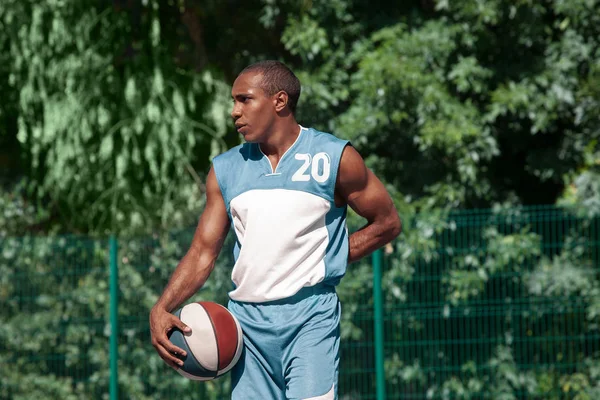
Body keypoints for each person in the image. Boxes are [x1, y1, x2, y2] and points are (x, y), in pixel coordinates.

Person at [150, 60, 401, 399]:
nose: (234, 111)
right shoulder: (225, 170)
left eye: (244, 99)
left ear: (279, 101)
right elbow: (202, 253)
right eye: (234, 101)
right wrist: (162, 307)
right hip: (247, 329)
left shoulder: (334, 157)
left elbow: (387, 223)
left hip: (310, 318)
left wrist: (326, 257)